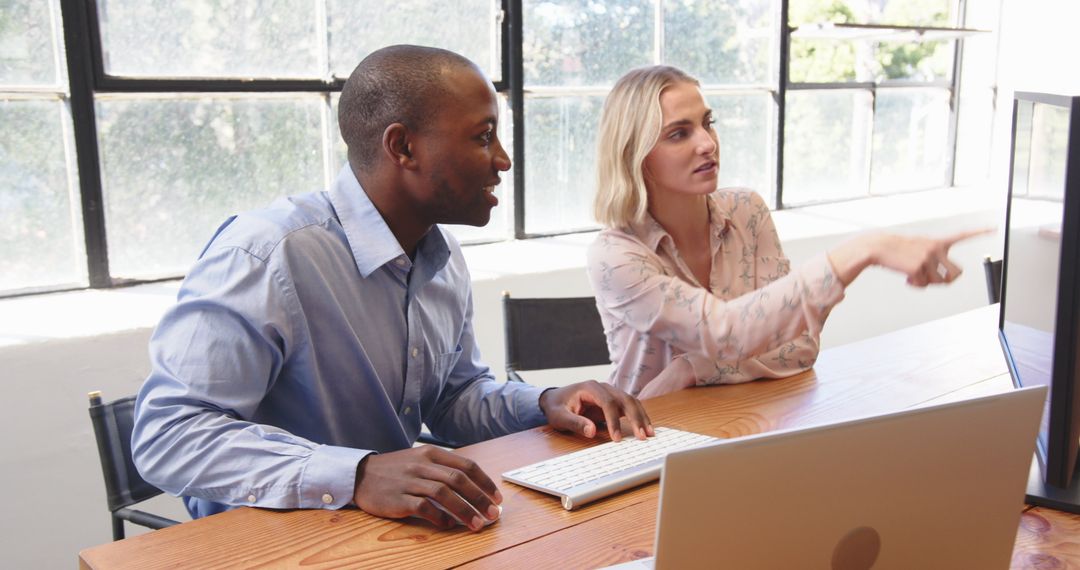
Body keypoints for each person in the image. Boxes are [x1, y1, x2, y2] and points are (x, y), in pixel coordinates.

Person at [131, 45, 653, 533]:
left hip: (382, 535)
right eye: (481, 136)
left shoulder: (440, 257)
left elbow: (454, 398)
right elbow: (168, 436)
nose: (502, 160)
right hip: (272, 541)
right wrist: (355, 475)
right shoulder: (269, 253)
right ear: (403, 146)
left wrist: (543, 402)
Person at [586, 65, 985, 399]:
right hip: (648, 439)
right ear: (634, 154)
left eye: (708, 123)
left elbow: (800, 345)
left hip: (745, 421)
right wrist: (866, 248)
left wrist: (692, 369)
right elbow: (727, 332)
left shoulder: (747, 211)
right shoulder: (616, 255)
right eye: (679, 133)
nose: (708, 143)